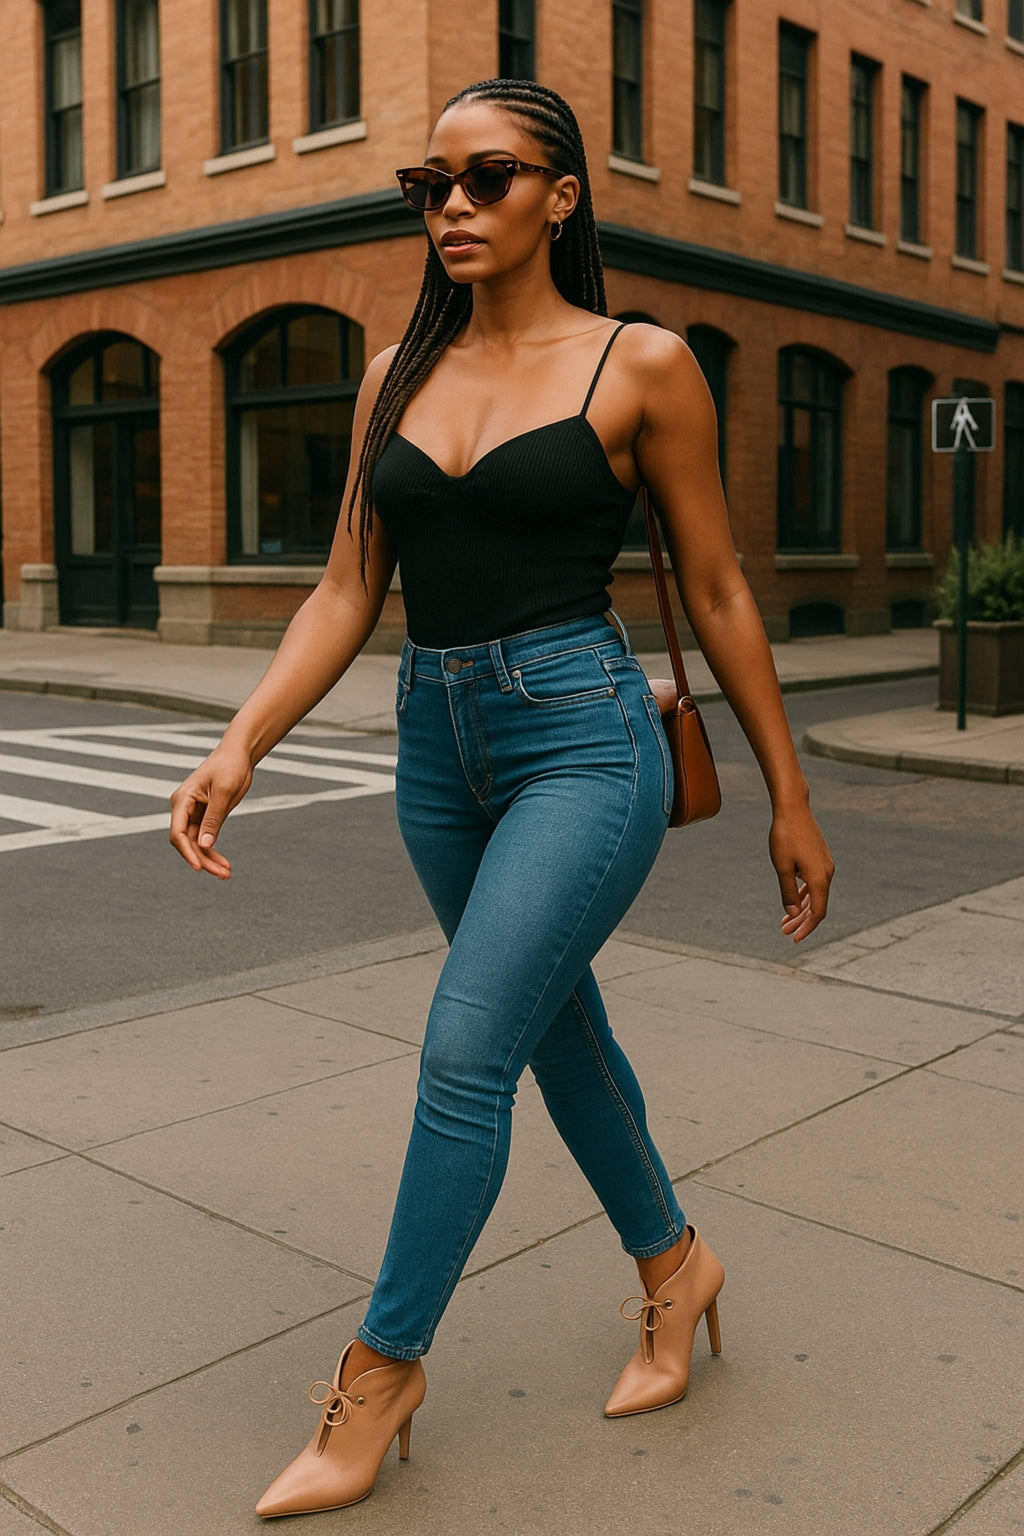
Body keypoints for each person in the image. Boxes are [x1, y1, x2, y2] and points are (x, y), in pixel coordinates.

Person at [169, 77, 835, 1522]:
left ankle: (378, 1374)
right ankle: (676, 1270)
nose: (453, 206)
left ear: (561, 195)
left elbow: (717, 585)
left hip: (585, 739)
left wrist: (790, 792)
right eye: (433, 184)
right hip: (433, 748)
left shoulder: (641, 363)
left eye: (488, 178)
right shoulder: (392, 369)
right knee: (552, 1026)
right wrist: (241, 749)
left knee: (467, 1048)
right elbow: (350, 586)